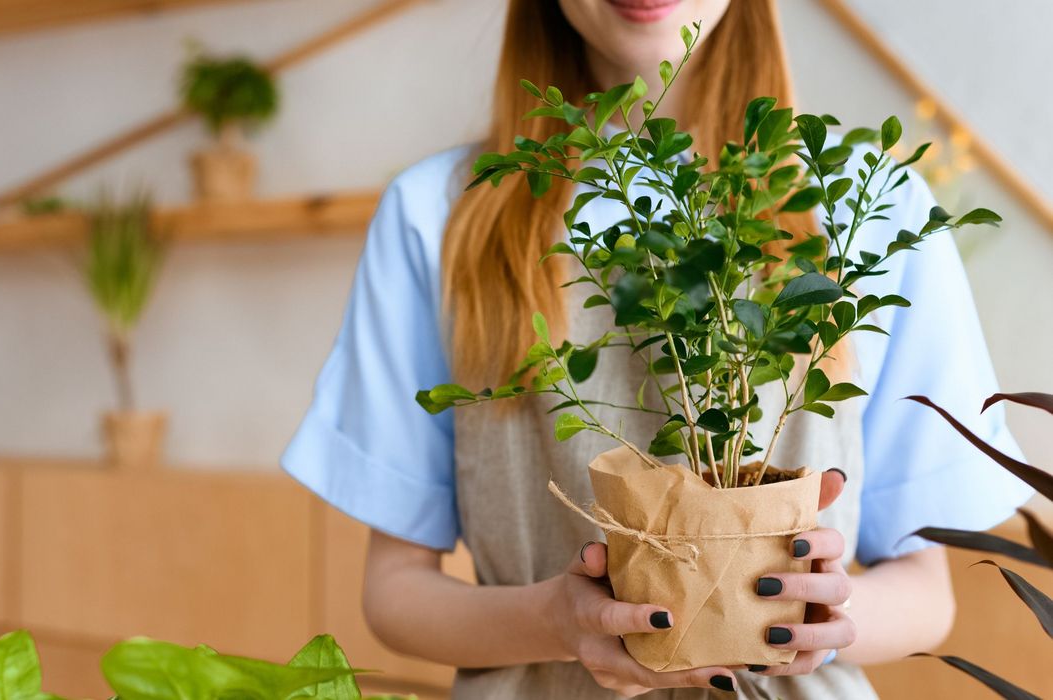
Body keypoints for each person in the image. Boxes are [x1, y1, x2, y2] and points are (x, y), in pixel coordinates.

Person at [282, 0, 1032, 696]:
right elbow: (395, 595)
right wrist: (559, 623)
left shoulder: (865, 206)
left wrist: (835, 618)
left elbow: (928, 592)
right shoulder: (442, 216)